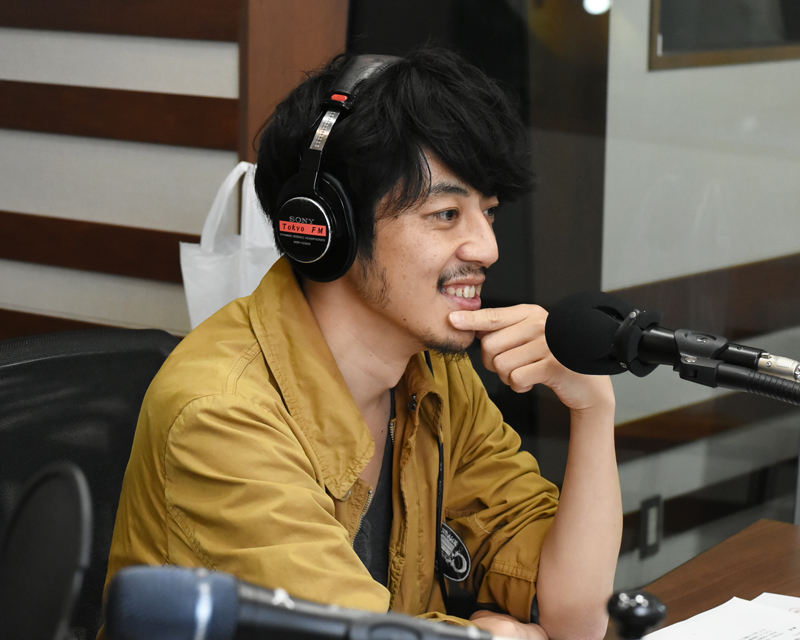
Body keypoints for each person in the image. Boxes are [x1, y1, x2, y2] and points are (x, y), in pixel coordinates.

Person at [101, 48, 621, 640]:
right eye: (446, 214)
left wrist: (592, 407)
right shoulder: (221, 415)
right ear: (328, 226)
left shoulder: (434, 369)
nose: (487, 248)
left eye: (489, 212)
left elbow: (575, 616)